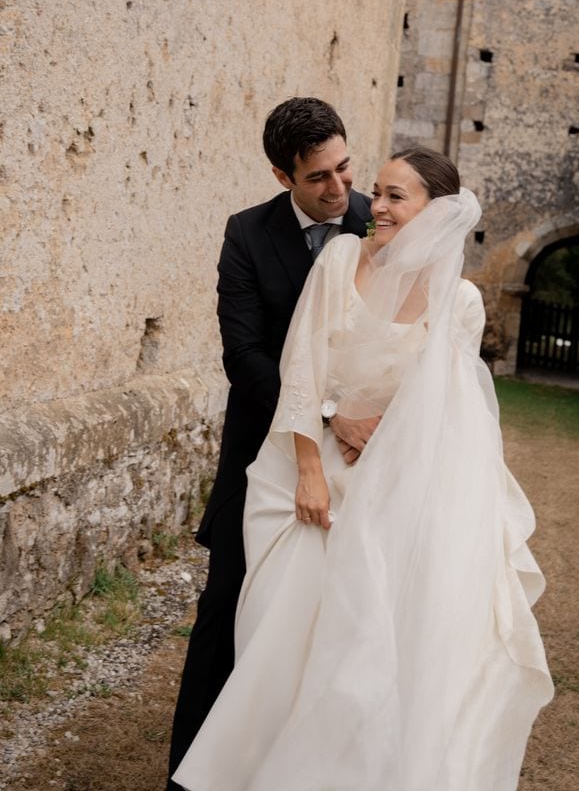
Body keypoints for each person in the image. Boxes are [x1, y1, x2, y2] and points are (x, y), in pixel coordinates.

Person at [173, 146, 554, 791]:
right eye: (374, 190)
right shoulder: (341, 259)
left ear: (437, 213)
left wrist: (390, 457)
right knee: (279, 635)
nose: (372, 205)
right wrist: (312, 469)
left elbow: (448, 414)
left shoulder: (459, 300)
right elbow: (300, 366)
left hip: (393, 482)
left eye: (394, 196)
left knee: (366, 649)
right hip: (308, 467)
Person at [167, 98, 373, 789]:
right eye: (319, 178)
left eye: (345, 167)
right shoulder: (247, 235)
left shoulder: (383, 221)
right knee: (225, 604)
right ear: (283, 176)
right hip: (263, 452)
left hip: (364, 460)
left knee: (343, 618)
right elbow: (244, 354)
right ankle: (190, 772)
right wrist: (324, 413)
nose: (340, 189)